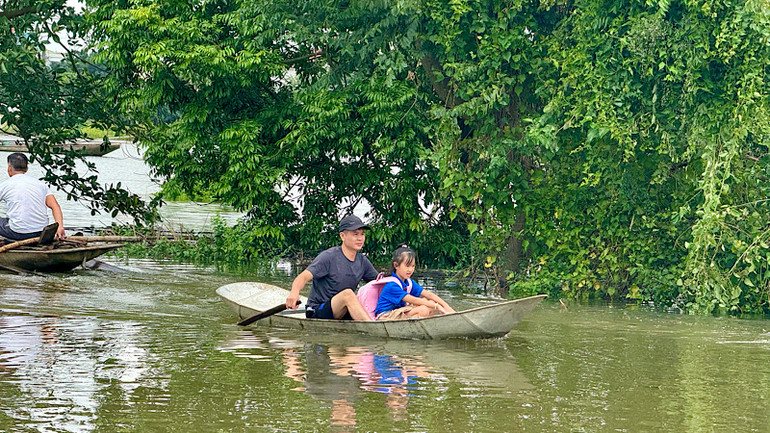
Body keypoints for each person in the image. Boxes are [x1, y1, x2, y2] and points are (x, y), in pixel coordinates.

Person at [286, 214, 378, 321]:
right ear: (342, 236)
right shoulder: (328, 257)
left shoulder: (362, 261)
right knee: (348, 294)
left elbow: (380, 282)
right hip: (318, 309)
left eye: (362, 234)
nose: (360, 238)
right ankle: (373, 328)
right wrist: (294, 292)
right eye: (355, 234)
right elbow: (303, 277)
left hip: (343, 310)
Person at [374, 246, 455, 320]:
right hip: (385, 316)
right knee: (423, 309)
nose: (410, 270)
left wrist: (447, 307)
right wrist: (437, 306)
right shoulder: (392, 285)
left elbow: (429, 295)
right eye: (407, 266)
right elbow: (413, 300)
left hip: (397, 312)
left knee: (430, 304)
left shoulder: (408, 282)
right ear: (396, 265)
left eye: (413, 266)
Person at [0, 153, 66, 241]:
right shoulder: (41, 185)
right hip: (40, 232)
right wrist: (60, 226)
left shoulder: (5, 185)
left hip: (17, 233)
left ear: (9, 168)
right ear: (27, 169)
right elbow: (55, 206)